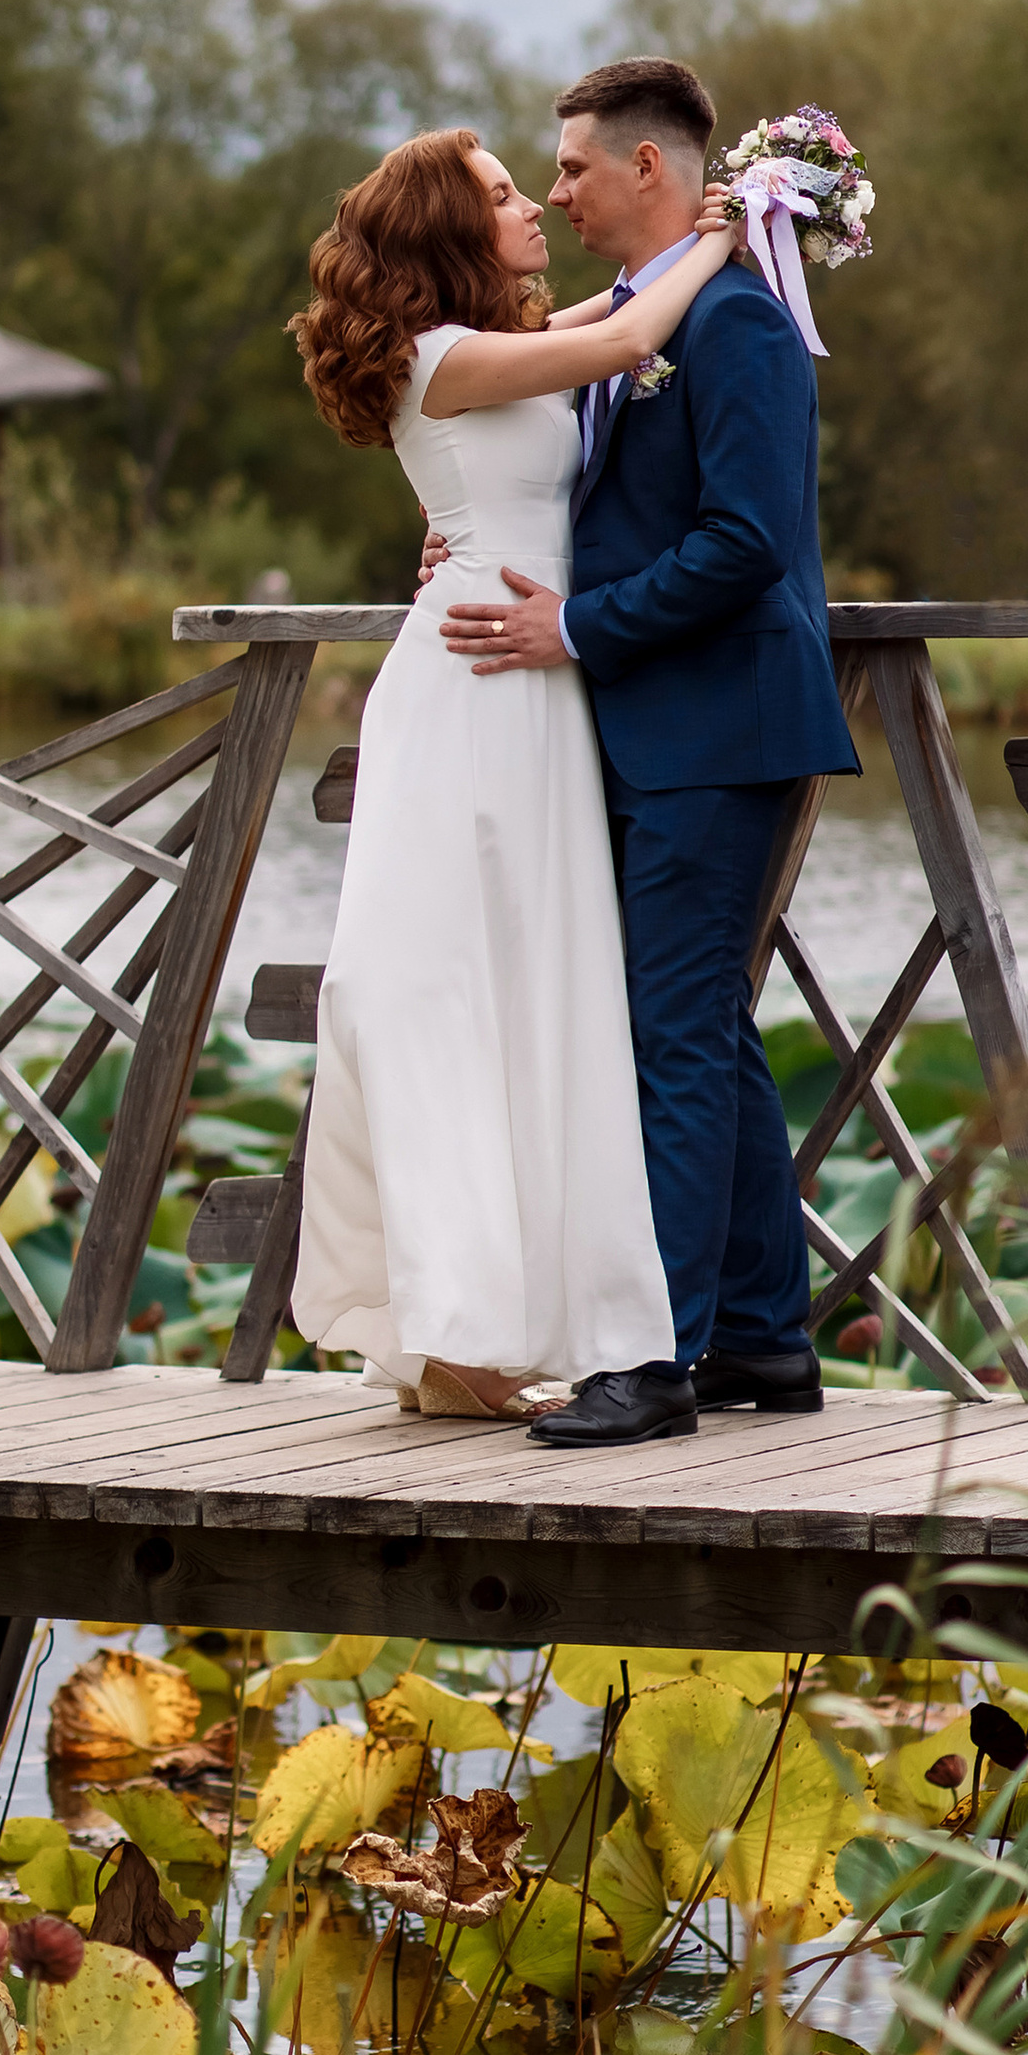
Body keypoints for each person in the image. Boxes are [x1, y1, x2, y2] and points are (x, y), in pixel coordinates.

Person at [437, 55, 860, 1450]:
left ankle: (654, 1358)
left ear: (645, 167)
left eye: (570, 167)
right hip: (662, 725)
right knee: (703, 1030)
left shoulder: (734, 324)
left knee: (669, 1033)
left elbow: (745, 543)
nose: (556, 193)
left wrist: (575, 628)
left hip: (718, 726)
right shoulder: (644, 316)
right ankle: (762, 1339)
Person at [284, 126, 739, 1413]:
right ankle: (455, 1332)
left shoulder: (492, 348)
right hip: (476, 683)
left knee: (528, 982)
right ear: (448, 233)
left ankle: (491, 1333)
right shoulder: (444, 357)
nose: (533, 206)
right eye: (498, 197)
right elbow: (626, 337)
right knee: (442, 984)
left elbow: (606, 315)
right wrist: (721, 234)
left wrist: (725, 230)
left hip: (534, 678)